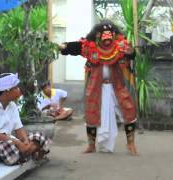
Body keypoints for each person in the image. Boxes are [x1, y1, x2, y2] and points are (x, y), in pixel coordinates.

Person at [59, 20, 138, 155]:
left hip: (116, 86)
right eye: (103, 34)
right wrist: (63, 46)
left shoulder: (120, 45)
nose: (106, 38)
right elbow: (77, 47)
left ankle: (130, 144)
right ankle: (91, 145)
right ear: (97, 35)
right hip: (96, 87)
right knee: (91, 112)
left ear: (114, 35)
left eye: (109, 34)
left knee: (128, 110)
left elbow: (131, 54)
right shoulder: (90, 46)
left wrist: (131, 51)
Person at [0, 73, 50, 165]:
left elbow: (19, 128)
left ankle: (24, 154)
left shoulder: (12, 105)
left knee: (40, 136)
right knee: (7, 148)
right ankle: (29, 153)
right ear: (6, 91)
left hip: (11, 140)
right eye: (15, 88)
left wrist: (25, 142)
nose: (19, 90)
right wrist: (18, 143)